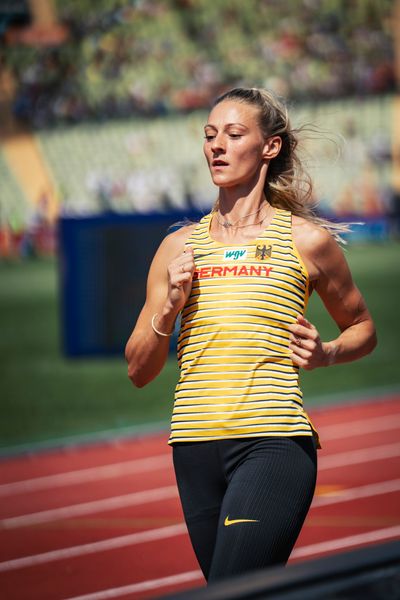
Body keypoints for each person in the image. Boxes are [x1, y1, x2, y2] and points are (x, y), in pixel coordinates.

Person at [125, 87, 377, 582]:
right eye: (209, 135)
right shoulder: (177, 246)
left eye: (234, 134)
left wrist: (327, 352)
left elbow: (363, 328)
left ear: (270, 147)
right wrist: (170, 309)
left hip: (273, 442)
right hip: (193, 446)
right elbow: (138, 369)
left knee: (234, 589)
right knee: (231, 589)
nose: (216, 146)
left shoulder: (306, 241)